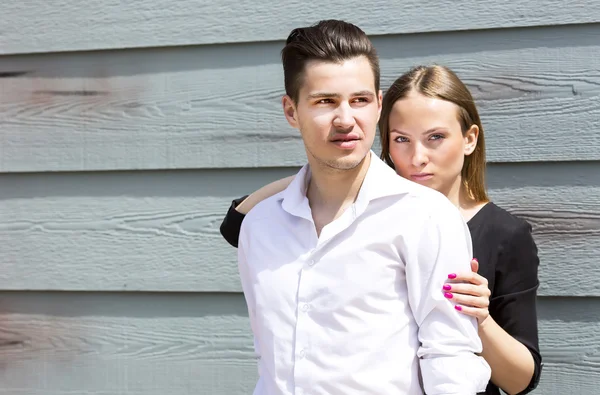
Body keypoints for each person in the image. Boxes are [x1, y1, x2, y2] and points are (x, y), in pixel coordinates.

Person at [221, 63, 542, 395]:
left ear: (469, 139)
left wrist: (480, 320)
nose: (417, 157)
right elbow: (236, 224)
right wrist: (321, 172)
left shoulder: (504, 234)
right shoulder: (374, 219)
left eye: (435, 138)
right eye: (401, 139)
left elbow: (522, 381)